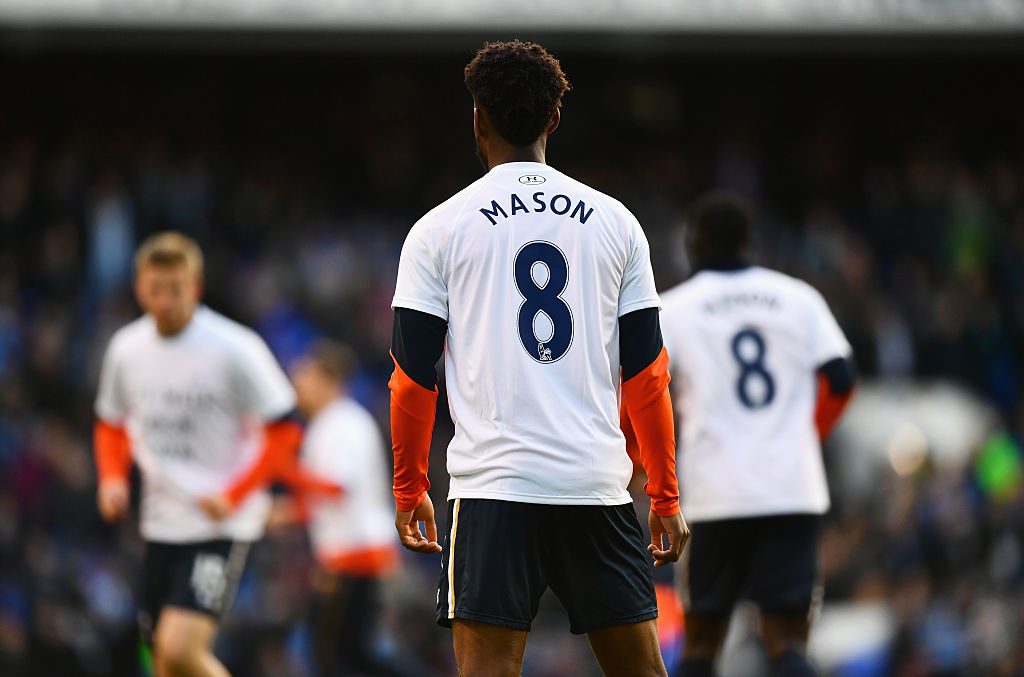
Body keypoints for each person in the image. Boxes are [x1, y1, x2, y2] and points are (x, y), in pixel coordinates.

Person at [388, 40, 689, 677]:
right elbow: (647, 374)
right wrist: (663, 493)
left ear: (477, 117)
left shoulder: (439, 228)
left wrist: (409, 484)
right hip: (594, 488)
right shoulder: (616, 223)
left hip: (494, 490)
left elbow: (413, 379)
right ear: (555, 120)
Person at [658, 193, 857, 677]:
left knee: (702, 642)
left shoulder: (672, 308)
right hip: (790, 486)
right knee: (787, 643)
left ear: (694, 244)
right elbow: (842, 378)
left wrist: (649, 462)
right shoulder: (798, 296)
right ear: (749, 243)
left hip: (714, 492)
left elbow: (644, 389)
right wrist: (808, 434)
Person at [94, 232, 302, 677]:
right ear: (139, 289)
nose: (165, 300)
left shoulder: (235, 348)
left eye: (176, 289)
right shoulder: (126, 350)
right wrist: (111, 477)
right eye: (155, 289)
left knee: (180, 648)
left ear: (196, 288)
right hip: (160, 521)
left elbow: (285, 431)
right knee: (162, 662)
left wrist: (235, 491)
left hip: (221, 521)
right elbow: (110, 423)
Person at [275, 341, 405, 677]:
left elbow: (335, 486)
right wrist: (287, 512)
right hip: (351, 551)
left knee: (337, 654)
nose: (297, 387)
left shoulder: (343, 423)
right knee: (348, 653)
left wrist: (280, 466)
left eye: (304, 377)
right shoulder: (330, 423)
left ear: (327, 379)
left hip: (357, 552)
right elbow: (327, 496)